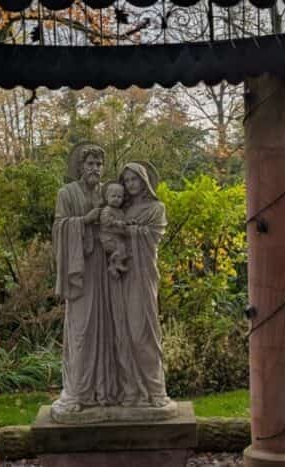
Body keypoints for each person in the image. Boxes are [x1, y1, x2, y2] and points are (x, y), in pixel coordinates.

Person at [51, 144, 116, 414]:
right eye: (90, 164)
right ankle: (78, 390)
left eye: (99, 164)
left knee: (106, 327)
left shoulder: (108, 193)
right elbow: (59, 228)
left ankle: (103, 390)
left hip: (104, 271)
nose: (95, 169)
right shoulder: (66, 194)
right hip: (81, 271)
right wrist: (85, 220)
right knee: (81, 329)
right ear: (80, 166)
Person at [110, 162, 172, 409]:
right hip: (120, 277)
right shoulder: (120, 210)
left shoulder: (156, 208)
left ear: (144, 181)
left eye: (134, 179)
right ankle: (132, 390)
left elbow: (153, 236)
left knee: (142, 333)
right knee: (122, 334)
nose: (130, 185)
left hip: (142, 274)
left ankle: (155, 390)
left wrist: (130, 231)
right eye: (126, 181)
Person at [99, 182, 130, 278]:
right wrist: (116, 223)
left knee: (123, 249)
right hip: (107, 238)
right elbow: (105, 220)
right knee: (120, 248)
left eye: (119, 197)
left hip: (116, 238)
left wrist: (128, 222)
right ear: (107, 197)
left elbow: (124, 221)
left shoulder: (120, 211)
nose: (116, 199)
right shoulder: (107, 209)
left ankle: (114, 266)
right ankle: (114, 264)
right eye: (113, 196)